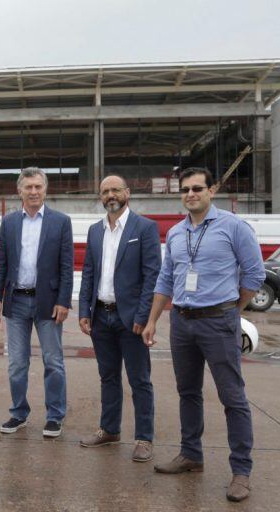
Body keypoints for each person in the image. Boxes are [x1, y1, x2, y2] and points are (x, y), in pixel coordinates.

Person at [142, 168, 265, 502]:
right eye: (185, 189)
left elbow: (255, 273)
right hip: (181, 321)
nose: (190, 193)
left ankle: (241, 471)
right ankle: (191, 454)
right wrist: (153, 320)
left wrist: (231, 310)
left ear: (212, 190)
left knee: (232, 397)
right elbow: (166, 279)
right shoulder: (177, 233)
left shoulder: (233, 227)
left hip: (218, 321)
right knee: (188, 393)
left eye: (197, 188)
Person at [78, 175, 161, 461]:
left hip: (131, 320)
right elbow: (89, 271)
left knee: (140, 380)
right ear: (100, 197)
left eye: (115, 189)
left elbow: (152, 276)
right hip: (101, 316)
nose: (110, 194)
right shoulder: (94, 230)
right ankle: (110, 429)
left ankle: (144, 438)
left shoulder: (145, 228)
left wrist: (143, 315)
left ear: (127, 192)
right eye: (104, 191)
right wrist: (83, 311)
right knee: (108, 376)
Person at [0, 167, 73, 438]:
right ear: (20, 191)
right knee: (16, 363)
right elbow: (0, 261)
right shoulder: (10, 221)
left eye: (38, 187)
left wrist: (64, 301)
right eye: (29, 187)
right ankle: (18, 413)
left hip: (48, 302)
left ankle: (54, 415)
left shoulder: (60, 222)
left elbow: (66, 265)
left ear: (45, 189)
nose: (34, 191)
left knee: (53, 361)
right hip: (16, 301)